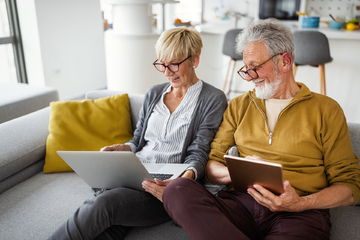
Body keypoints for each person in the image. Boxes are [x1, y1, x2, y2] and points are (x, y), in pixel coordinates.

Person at [162, 18, 360, 240]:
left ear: (285, 62)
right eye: (245, 69)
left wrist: (301, 203)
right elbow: (212, 165)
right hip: (241, 204)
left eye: (255, 68)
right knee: (177, 190)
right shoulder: (239, 105)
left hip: (299, 212)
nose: (249, 77)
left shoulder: (326, 109)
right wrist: (237, 172)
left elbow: (350, 186)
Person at [48, 27, 227, 240]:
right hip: (134, 172)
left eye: (174, 64)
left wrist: (181, 181)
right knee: (110, 219)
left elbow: (199, 151)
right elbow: (138, 139)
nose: (167, 72)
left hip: (163, 188)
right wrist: (124, 148)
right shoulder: (153, 93)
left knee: (106, 203)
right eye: (162, 64)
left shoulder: (213, 99)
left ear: (195, 60)